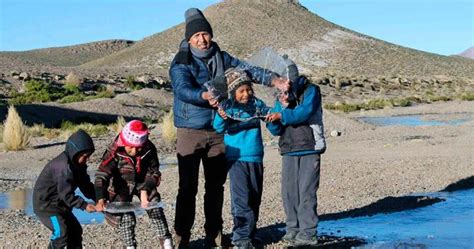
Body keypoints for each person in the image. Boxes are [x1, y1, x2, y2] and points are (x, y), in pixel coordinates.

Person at [169, 7, 286, 248]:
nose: (202, 39)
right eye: (196, 36)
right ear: (189, 39)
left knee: (215, 186)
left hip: (218, 131)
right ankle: (182, 236)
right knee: (188, 187)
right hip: (191, 130)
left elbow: (247, 70)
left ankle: (214, 234)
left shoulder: (222, 57)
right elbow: (182, 89)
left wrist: (273, 78)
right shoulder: (182, 61)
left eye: (205, 34)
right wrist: (204, 95)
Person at [266, 56, 326, 246]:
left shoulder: (311, 90)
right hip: (289, 150)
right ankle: (293, 229)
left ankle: (308, 232)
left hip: (309, 147)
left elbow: (305, 112)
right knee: (289, 194)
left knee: (306, 191)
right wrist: (280, 108)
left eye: (285, 80)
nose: (283, 85)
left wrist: (282, 114)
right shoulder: (280, 98)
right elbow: (274, 129)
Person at [212, 68, 270, 248]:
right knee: (241, 199)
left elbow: (268, 115)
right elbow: (218, 127)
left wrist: (275, 111)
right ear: (232, 92)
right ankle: (241, 237)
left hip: (255, 158)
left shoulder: (257, 104)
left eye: (248, 89)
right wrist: (221, 117)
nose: (246, 94)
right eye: (241, 91)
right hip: (236, 159)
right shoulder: (228, 108)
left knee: (255, 197)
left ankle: (251, 233)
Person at [94, 120, 172, 249]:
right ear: (124, 142)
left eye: (138, 147)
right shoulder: (113, 151)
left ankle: (167, 243)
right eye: (130, 146)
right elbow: (102, 174)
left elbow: (155, 173)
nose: (134, 150)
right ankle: (130, 246)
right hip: (121, 187)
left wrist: (145, 191)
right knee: (126, 218)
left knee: (155, 208)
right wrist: (100, 197)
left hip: (144, 183)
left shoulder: (149, 148)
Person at [33, 129, 97, 248]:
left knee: (75, 231)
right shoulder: (63, 167)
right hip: (47, 207)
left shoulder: (79, 165)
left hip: (61, 206)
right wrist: (84, 205)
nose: (87, 159)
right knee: (61, 234)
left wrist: (99, 198)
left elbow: (86, 185)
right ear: (75, 152)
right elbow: (66, 194)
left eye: (89, 156)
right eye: (85, 156)